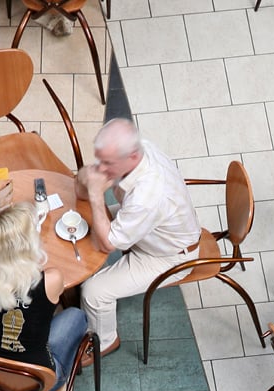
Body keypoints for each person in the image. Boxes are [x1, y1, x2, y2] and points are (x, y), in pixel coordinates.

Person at [77, 118, 201, 357]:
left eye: (107, 163)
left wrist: (93, 191)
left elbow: (107, 243)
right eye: (99, 160)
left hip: (169, 257)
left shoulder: (147, 196)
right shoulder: (135, 148)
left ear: (132, 157)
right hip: (150, 227)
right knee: (82, 223)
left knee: (93, 291)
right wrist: (91, 182)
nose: (101, 168)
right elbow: (80, 188)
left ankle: (105, 341)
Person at [0, 203, 87, 391]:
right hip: (41, 382)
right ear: (29, 243)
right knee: (76, 315)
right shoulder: (52, 278)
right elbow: (52, 298)